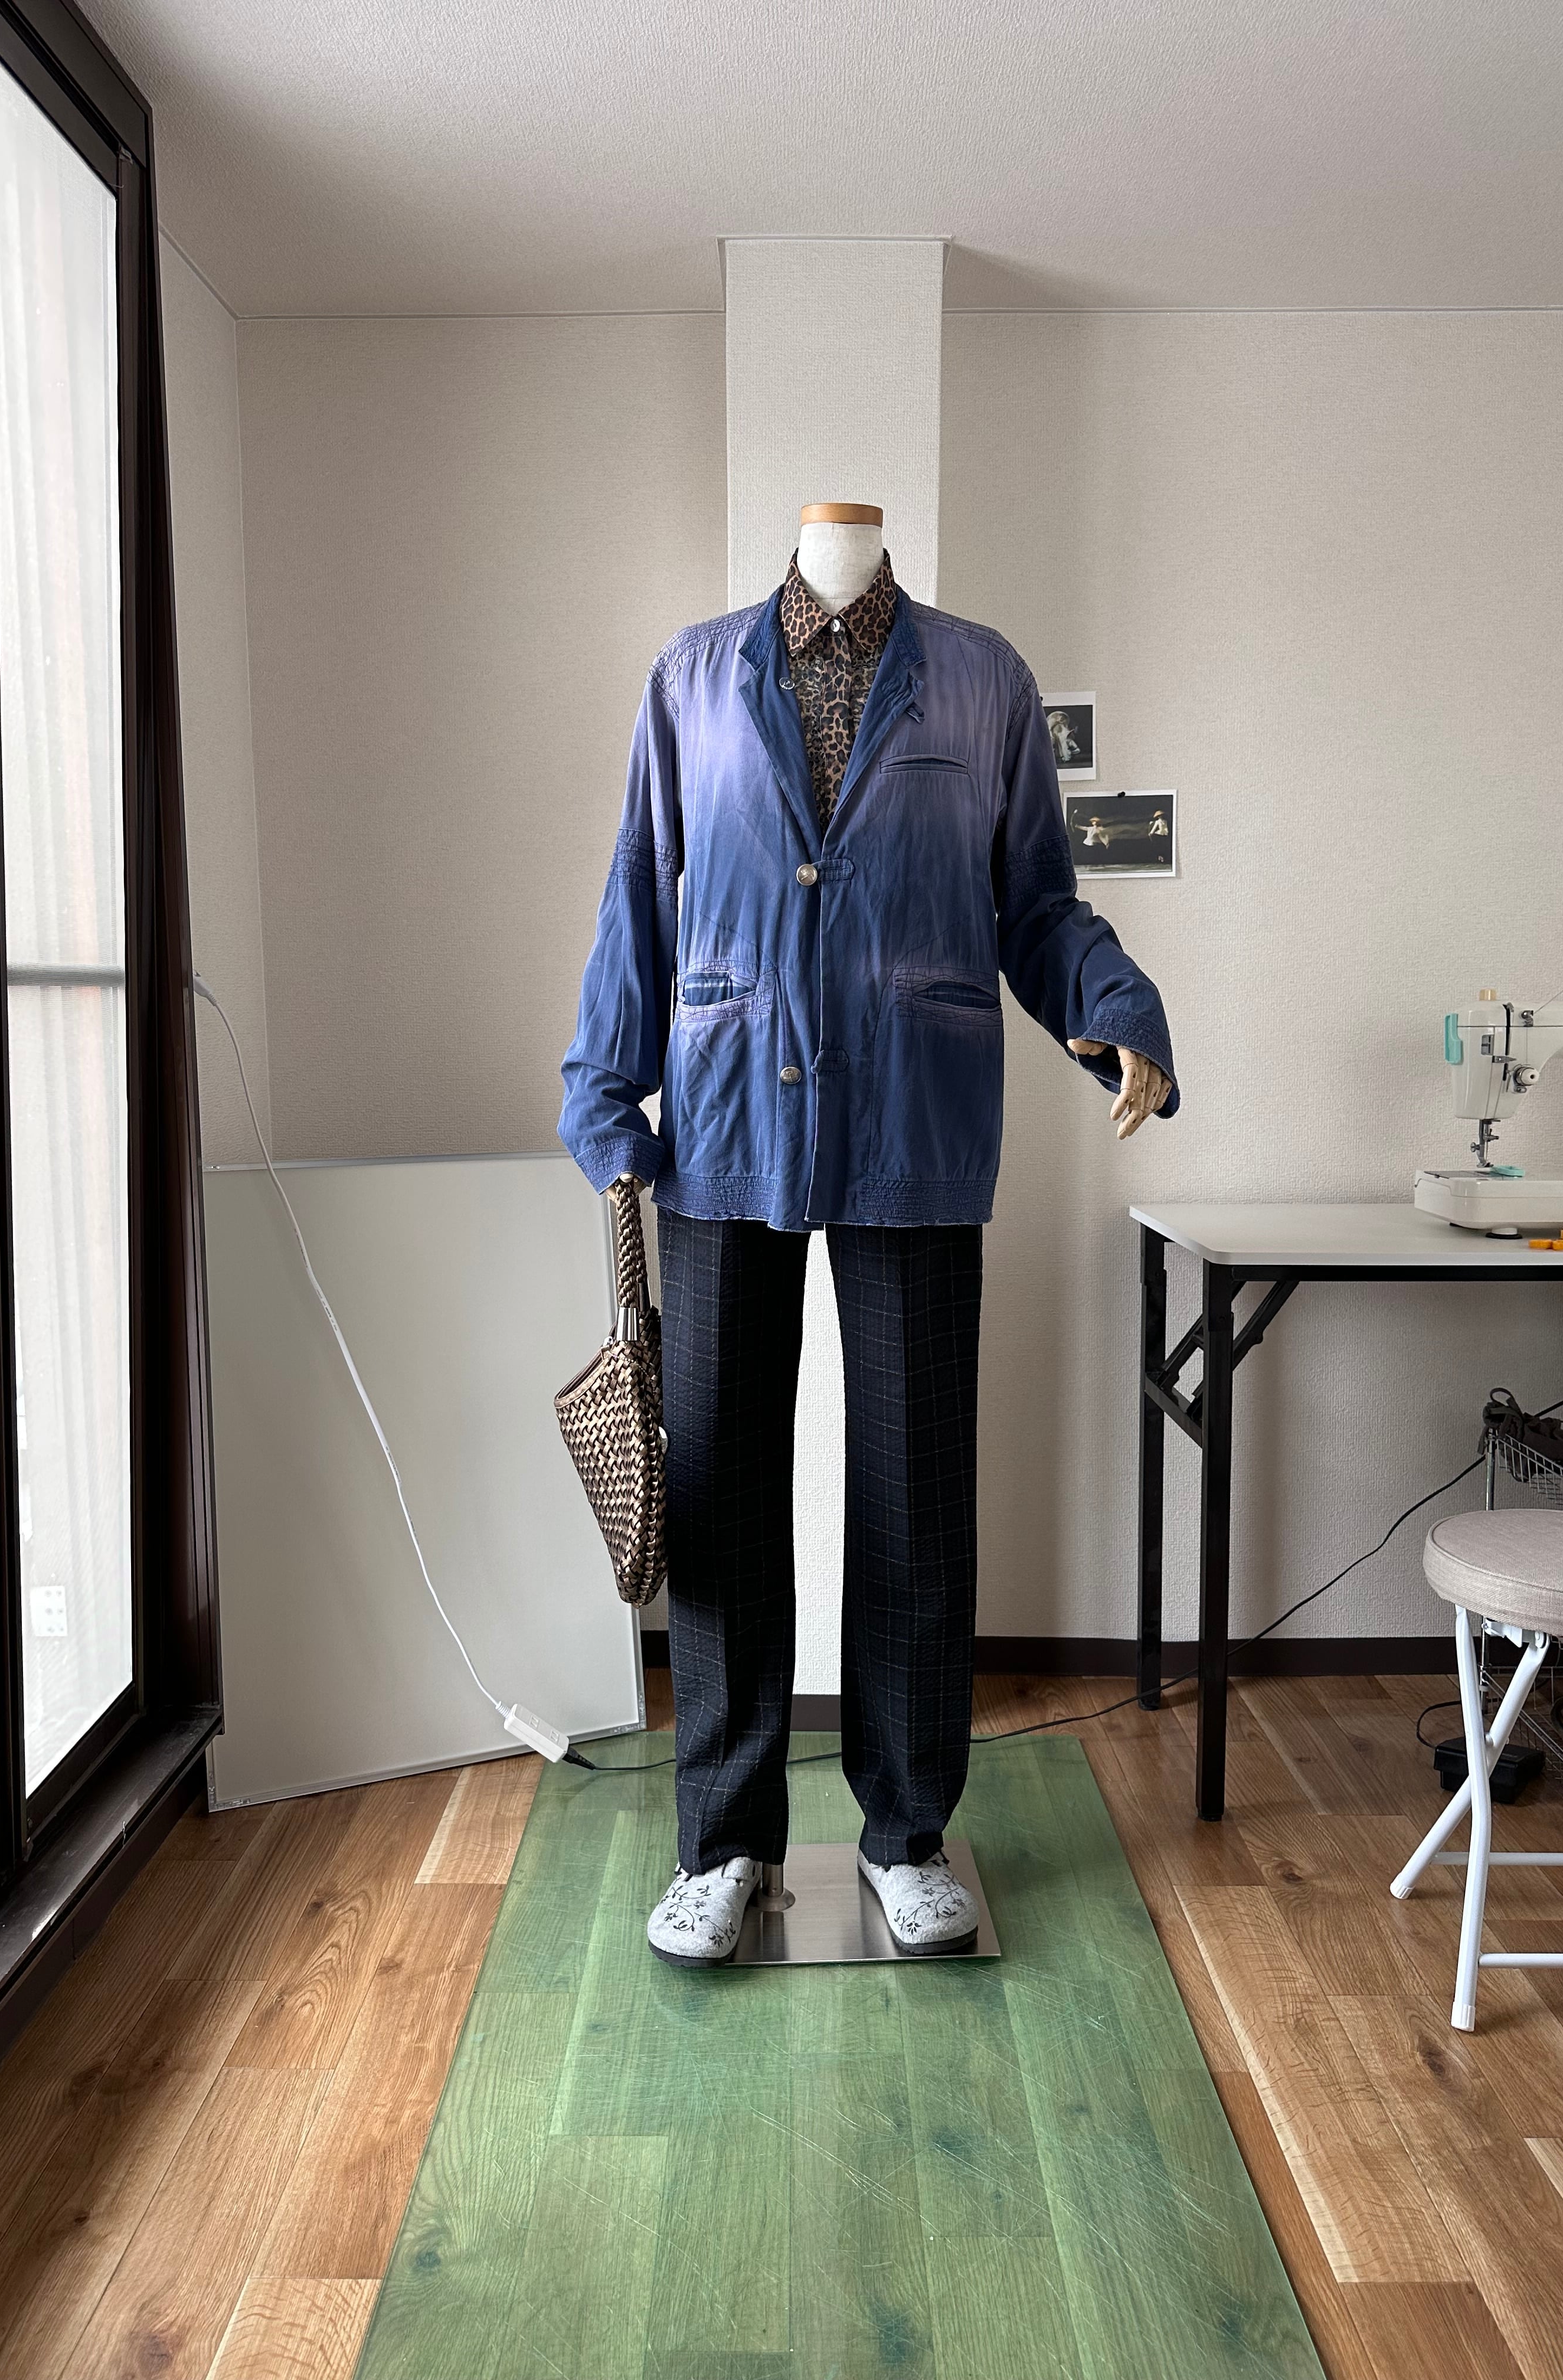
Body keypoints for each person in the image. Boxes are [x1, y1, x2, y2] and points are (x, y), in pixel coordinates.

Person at [560, 512, 1175, 1965]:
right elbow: (644, 885)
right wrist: (605, 1087)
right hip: (724, 1125)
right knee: (720, 1490)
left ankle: (906, 1834)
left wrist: (1117, 1011)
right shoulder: (692, 678)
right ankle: (725, 1843)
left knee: (915, 1488)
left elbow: (1037, 903)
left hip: (916, 1121)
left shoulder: (980, 677)